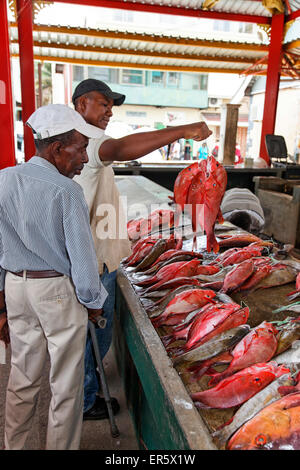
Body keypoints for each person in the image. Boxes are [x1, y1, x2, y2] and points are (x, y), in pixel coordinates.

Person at [71, 78, 212, 420]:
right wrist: (181, 130)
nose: (108, 111)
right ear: (80, 105)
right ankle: (87, 399)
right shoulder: (84, 141)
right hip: (94, 259)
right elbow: (120, 149)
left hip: (94, 251)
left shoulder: (76, 141)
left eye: (110, 106)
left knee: (90, 335)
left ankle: (84, 393)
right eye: (102, 103)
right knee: (95, 334)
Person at [0, 104, 108, 450]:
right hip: (56, 292)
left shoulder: (3, 179)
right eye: (80, 149)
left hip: (17, 285)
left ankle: (13, 445)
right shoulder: (67, 192)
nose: (84, 158)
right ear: (57, 148)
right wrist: (94, 303)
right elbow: (82, 260)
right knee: (65, 384)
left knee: (23, 375)